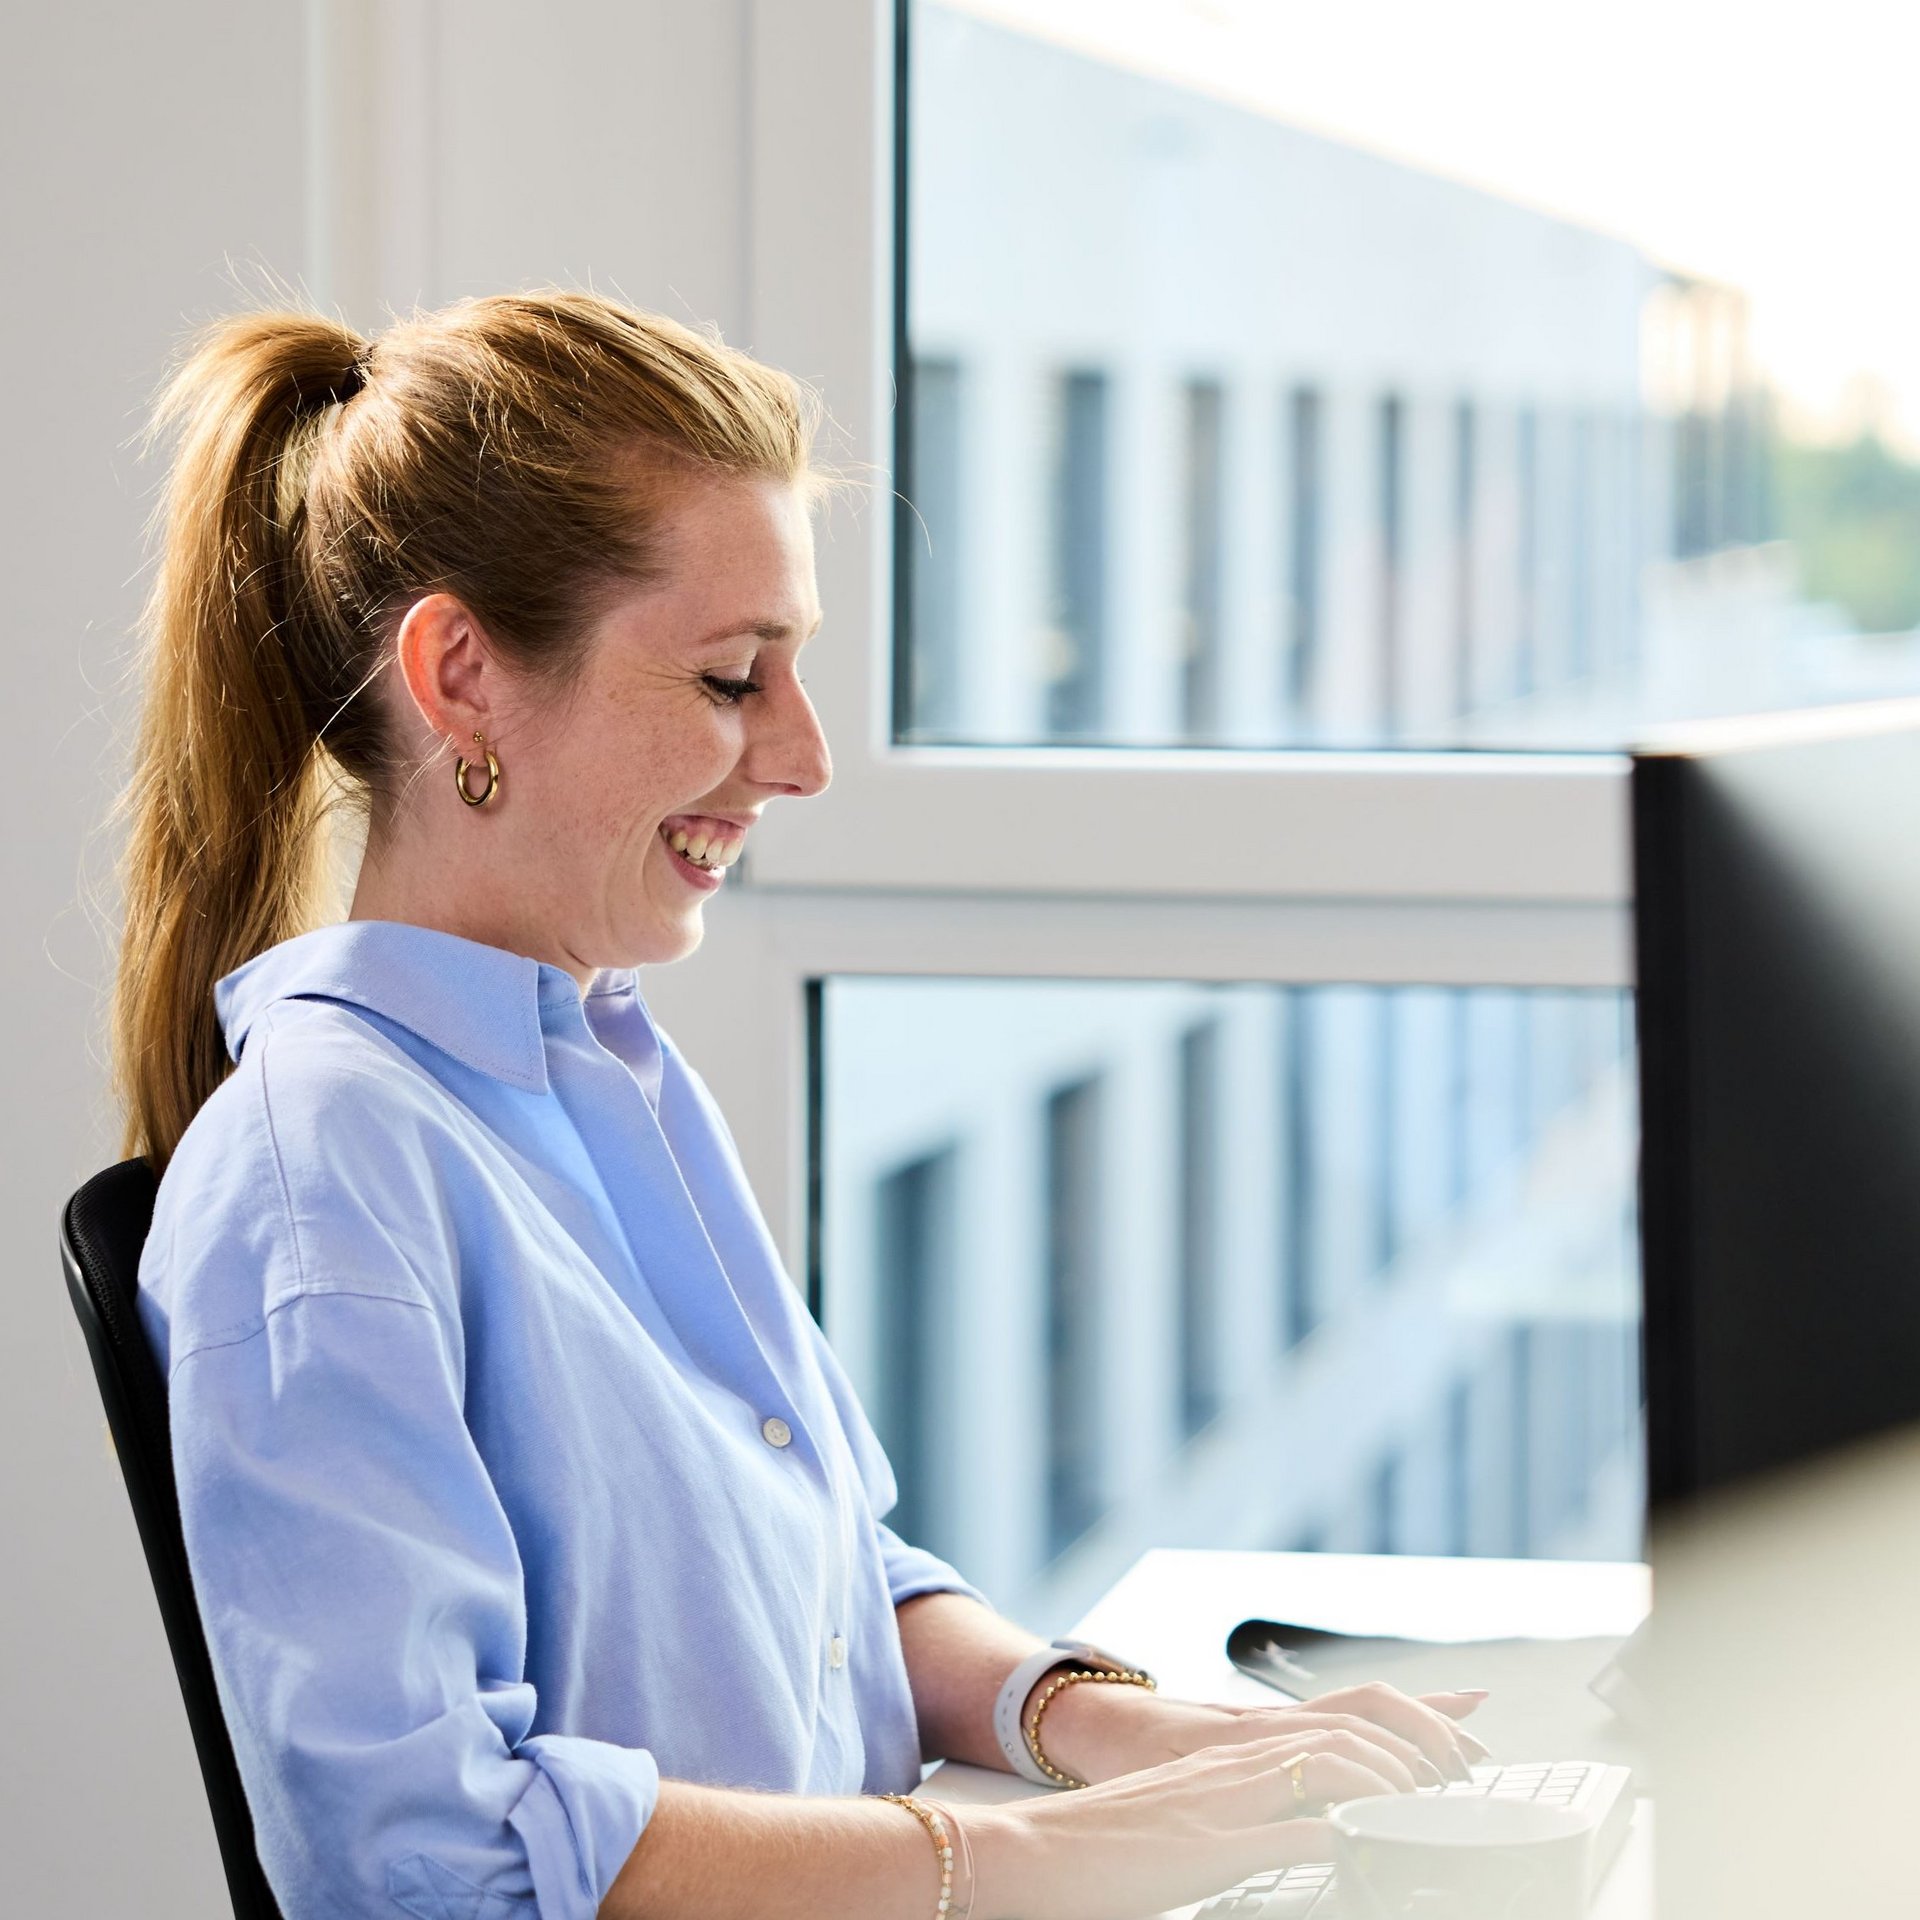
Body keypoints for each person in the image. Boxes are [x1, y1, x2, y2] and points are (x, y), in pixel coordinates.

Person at [112, 290, 1488, 1920]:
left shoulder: (613, 1071)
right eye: (730, 675)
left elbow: (846, 1591)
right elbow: (429, 1854)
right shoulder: (323, 1172)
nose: (805, 754)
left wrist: (1120, 1730)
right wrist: (1035, 1859)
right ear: (463, 673)